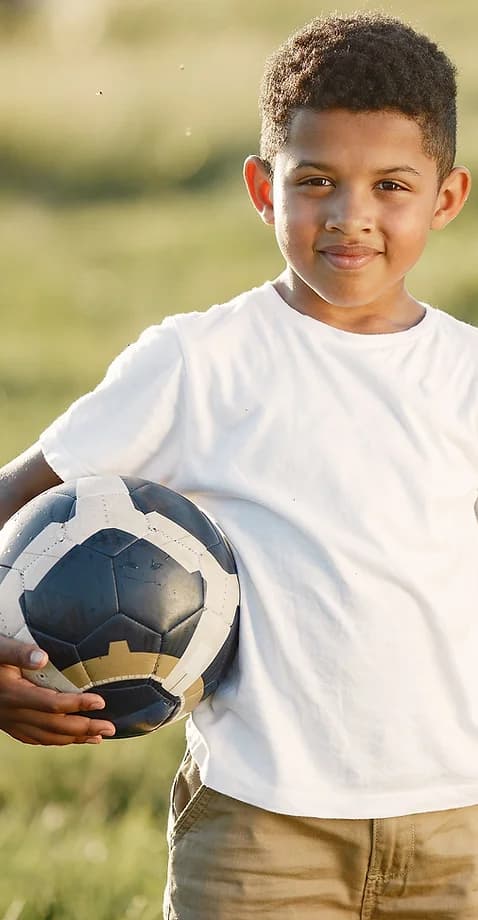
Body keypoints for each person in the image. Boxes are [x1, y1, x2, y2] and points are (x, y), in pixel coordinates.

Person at [0, 10, 476, 917]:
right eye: (317, 182)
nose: (352, 217)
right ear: (264, 188)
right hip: (264, 831)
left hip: (461, 830)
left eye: (392, 186)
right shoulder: (199, 363)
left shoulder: (466, 375)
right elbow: (17, 498)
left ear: (446, 198)